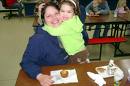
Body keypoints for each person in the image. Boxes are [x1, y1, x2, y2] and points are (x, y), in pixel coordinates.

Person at [20, 3, 70, 86]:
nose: (54, 18)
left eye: (56, 13)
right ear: (43, 20)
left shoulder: (65, 30)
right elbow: (26, 62)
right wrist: (39, 76)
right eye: (48, 16)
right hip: (50, 76)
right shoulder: (38, 39)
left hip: (65, 70)